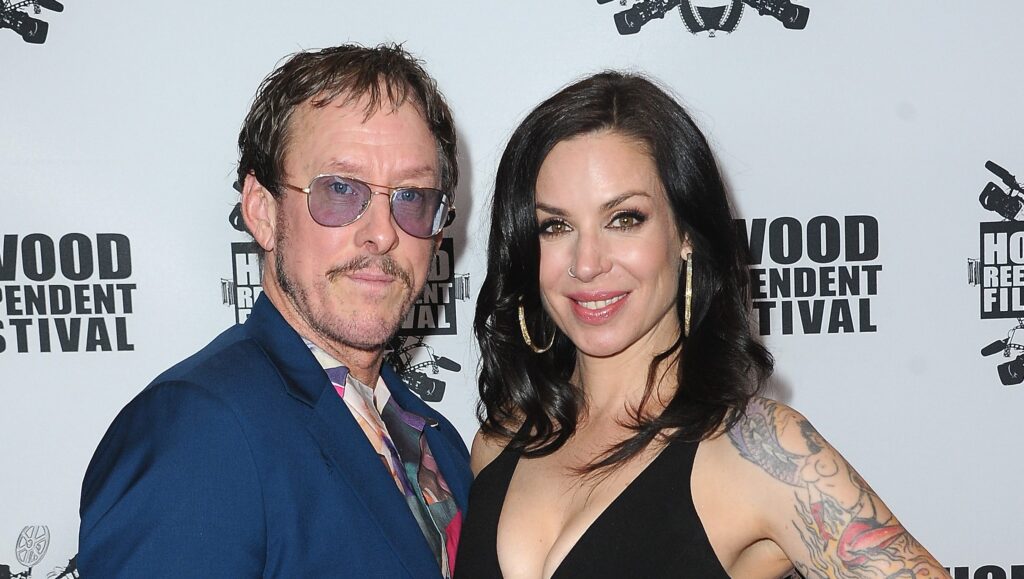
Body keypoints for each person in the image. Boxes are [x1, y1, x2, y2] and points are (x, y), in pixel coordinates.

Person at [456, 72, 947, 578]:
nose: (586, 262)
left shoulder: (758, 450)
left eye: (624, 219)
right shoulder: (499, 442)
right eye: (555, 226)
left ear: (686, 233)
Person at [79, 44, 471, 578]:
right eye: (339, 190)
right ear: (262, 212)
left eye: (412, 197)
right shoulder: (200, 433)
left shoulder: (438, 441)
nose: (382, 233)